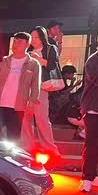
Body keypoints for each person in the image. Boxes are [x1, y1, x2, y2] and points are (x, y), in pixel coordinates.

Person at [0, 32, 41, 143]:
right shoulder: (3, 60)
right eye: (14, 41)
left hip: (18, 107)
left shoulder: (33, 64)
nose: (15, 44)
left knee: (13, 139)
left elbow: (35, 85)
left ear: (27, 45)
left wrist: (32, 103)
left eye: (20, 42)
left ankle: (9, 155)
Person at [24, 26, 61, 156]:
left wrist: (39, 60)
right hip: (25, 87)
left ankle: (50, 148)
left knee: (42, 119)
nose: (33, 40)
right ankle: (27, 147)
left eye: (36, 37)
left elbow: (52, 65)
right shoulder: (27, 51)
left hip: (41, 87)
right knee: (25, 119)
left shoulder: (50, 49)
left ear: (42, 37)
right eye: (32, 37)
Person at [79, 27, 98, 192]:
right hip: (93, 108)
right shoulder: (93, 59)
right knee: (92, 143)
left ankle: (93, 175)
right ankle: (87, 178)